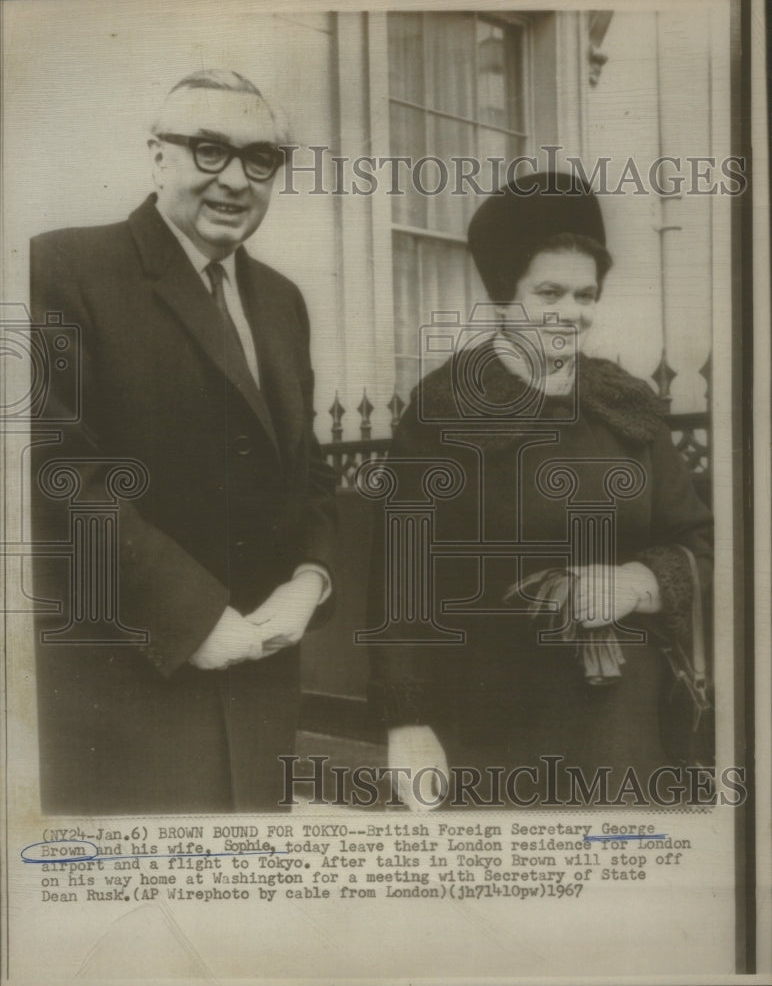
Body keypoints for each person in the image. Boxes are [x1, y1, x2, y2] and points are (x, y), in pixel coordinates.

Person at [30, 70, 337, 814]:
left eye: (259, 159)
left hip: (261, 698)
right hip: (129, 691)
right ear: (157, 156)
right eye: (208, 150)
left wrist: (310, 581)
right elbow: (56, 473)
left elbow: (310, 475)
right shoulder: (61, 267)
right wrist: (189, 616)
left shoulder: (283, 302)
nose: (235, 179)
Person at [368, 172, 713, 808]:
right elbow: (399, 576)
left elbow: (699, 540)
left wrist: (637, 584)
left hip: (625, 729)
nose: (570, 313)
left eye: (585, 294)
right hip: (489, 722)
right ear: (505, 294)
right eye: (548, 291)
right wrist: (406, 722)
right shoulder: (444, 409)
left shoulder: (627, 405)